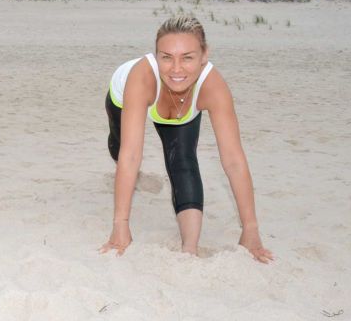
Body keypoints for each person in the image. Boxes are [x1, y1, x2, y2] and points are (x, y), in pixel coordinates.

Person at [99, 16, 273, 263]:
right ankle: (127, 176)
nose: (176, 68)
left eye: (188, 57)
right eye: (166, 57)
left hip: (181, 109)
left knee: (182, 159)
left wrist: (251, 229)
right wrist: (121, 225)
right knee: (120, 148)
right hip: (122, 96)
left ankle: (190, 248)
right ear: (156, 55)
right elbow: (132, 155)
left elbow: (234, 161)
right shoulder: (141, 77)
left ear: (204, 56)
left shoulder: (213, 87)